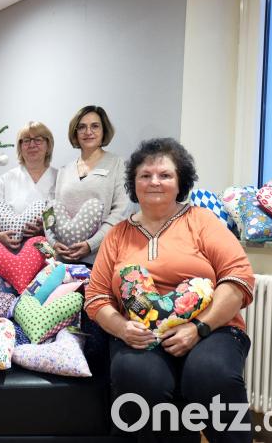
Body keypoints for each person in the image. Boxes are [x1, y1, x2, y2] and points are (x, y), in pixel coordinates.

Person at [84, 138, 254, 442]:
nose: (154, 182)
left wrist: (198, 328)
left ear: (181, 182)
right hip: (140, 334)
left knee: (210, 374)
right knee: (139, 377)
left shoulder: (203, 222)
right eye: (145, 175)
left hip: (212, 329)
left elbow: (238, 279)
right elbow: (96, 298)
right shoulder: (117, 236)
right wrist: (123, 328)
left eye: (165, 175)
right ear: (133, 183)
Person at [53, 105, 130, 265]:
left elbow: (121, 212)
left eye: (95, 126)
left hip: (100, 259)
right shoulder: (64, 170)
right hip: (64, 261)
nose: (88, 132)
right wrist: (53, 242)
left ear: (104, 131)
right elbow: (51, 212)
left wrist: (91, 244)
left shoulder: (117, 164)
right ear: (75, 132)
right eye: (82, 127)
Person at [0, 121, 57, 250]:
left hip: (47, 252)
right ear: (20, 147)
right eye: (26, 140)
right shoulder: (6, 179)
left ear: (48, 145)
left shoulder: (60, 178)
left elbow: (64, 214)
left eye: (38, 140)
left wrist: (44, 229)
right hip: (10, 251)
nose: (32, 145)